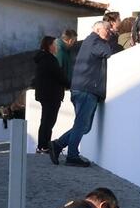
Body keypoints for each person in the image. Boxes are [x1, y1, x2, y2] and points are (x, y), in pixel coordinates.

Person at [49, 17, 119, 167]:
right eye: (107, 29)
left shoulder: (90, 41)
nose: (109, 32)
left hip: (83, 89)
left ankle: (57, 145)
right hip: (86, 89)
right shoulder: (95, 41)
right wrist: (111, 40)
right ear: (97, 30)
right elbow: (107, 52)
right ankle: (72, 156)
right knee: (82, 125)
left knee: (84, 126)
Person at [32, 35, 69, 154]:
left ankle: (43, 145)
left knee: (46, 120)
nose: (56, 47)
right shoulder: (49, 60)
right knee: (48, 121)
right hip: (51, 95)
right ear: (49, 46)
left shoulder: (43, 59)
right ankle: (44, 146)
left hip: (46, 95)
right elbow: (59, 76)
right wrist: (70, 84)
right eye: (54, 44)